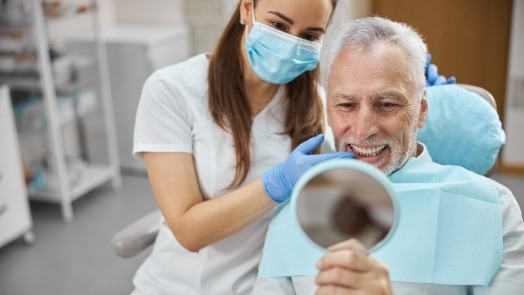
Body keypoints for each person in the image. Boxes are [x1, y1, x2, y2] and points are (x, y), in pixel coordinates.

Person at [254, 16, 524, 295]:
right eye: (346, 105)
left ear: (420, 111)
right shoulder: (294, 209)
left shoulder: (491, 209)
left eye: (386, 104)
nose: (362, 131)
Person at [131, 0, 355, 294]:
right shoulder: (172, 90)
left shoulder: (317, 104)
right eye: (278, 25)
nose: (290, 44)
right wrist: (276, 184)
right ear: (246, 9)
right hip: (180, 286)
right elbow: (188, 231)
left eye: (309, 36)